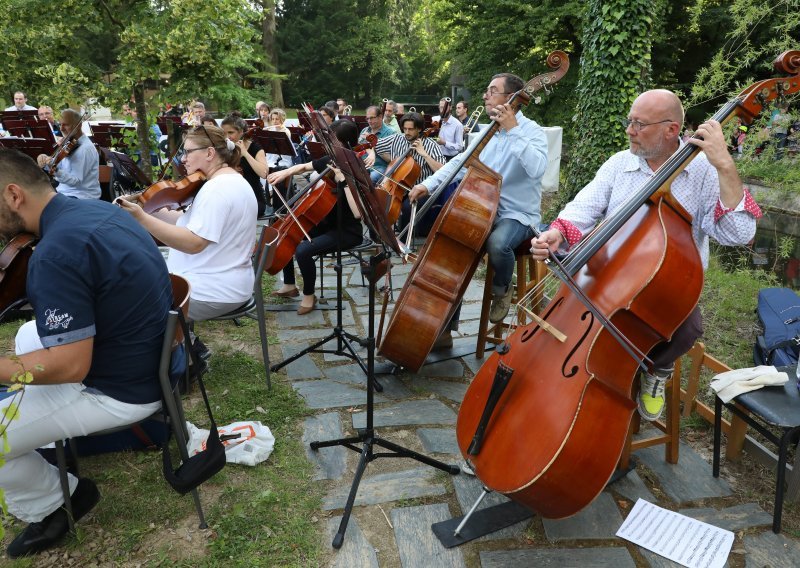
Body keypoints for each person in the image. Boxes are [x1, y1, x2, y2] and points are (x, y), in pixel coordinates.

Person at [530, 89, 762, 421]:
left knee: (689, 327)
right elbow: (582, 209)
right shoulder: (619, 164)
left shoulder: (704, 173)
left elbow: (740, 235)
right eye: (630, 121)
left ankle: (656, 369)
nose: (629, 130)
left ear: (671, 129)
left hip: (665, 288)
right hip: (608, 272)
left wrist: (724, 163)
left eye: (639, 124)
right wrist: (557, 232)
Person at [0, 149, 172, 558]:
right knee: (28, 335)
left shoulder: (56, 252)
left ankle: (60, 501)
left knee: (21, 367)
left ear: (13, 195)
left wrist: (5, 370)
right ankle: (35, 438)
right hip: (150, 360)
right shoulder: (96, 211)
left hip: (119, 389)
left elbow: (72, 364)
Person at [409, 73, 548, 346]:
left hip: (517, 214)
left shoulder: (531, 131)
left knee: (498, 243)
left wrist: (513, 129)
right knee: (456, 254)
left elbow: (537, 168)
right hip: (484, 209)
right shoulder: (487, 130)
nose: (485, 95)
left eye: (492, 91)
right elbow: (462, 162)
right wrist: (427, 185)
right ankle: (445, 329)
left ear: (510, 98)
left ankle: (502, 287)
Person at [118, 124, 257, 322]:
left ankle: (175, 347)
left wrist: (142, 218)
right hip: (221, 283)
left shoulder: (217, 189)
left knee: (126, 302)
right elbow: (189, 223)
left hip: (212, 290)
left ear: (210, 153)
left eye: (188, 152)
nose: (183, 158)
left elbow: (194, 243)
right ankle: (185, 344)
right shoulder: (229, 180)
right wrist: (150, 210)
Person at [266, 121, 364, 315]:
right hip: (326, 222)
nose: (325, 144)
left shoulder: (355, 168)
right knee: (286, 228)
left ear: (344, 143)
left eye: (330, 140)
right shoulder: (332, 159)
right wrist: (285, 171)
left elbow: (358, 213)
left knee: (302, 250)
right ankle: (289, 285)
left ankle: (309, 295)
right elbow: (304, 167)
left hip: (346, 230)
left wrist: (343, 181)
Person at [36, 109, 100, 199]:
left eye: (65, 124)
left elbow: (76, 181)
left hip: (80, 196)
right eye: (60, 124)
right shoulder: (69, 144)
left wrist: (55, 170)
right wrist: (45, 161)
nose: (61, 128)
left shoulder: (85, 149)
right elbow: (58, 166)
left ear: (78, 125)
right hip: (64, 193)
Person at [221, 113, 269, 218]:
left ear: (241, 132)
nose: (227, 137)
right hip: (230, 199)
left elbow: (264, 173)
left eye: (231, 132)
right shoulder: (224, 148)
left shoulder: (256, 148)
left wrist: (245, 154)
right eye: (224, 133)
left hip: (254, 200)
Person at [358, 105, 395, 184]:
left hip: (379, 167)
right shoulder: (365, 130)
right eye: (367, 118)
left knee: (370, 178)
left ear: (380, 116)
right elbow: (359, 149)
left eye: (372, 118)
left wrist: (374, 147)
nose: (369, 121)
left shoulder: (390, 133)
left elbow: (391, 159)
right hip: (362, 165)